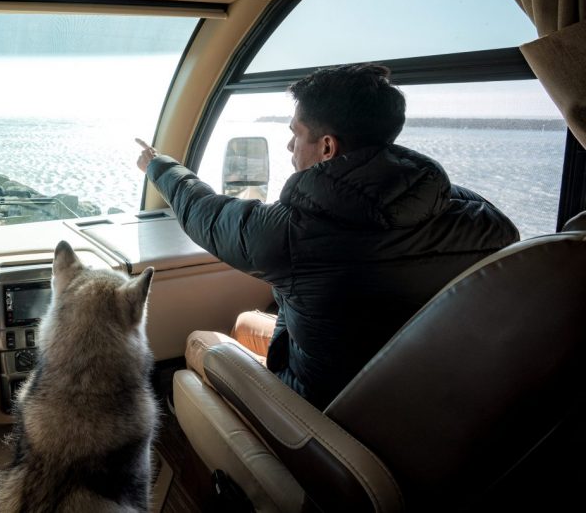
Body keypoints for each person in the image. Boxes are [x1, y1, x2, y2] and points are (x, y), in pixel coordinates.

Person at [136, 63, 519, 409]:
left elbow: (208, 215)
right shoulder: (480, 219)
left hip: (326, 409)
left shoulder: (291, 232)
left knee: (201, 342)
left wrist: (158, 165)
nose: (289, 145)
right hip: (425, 397)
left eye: (295, 134)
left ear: (327, 147)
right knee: (243, 323)